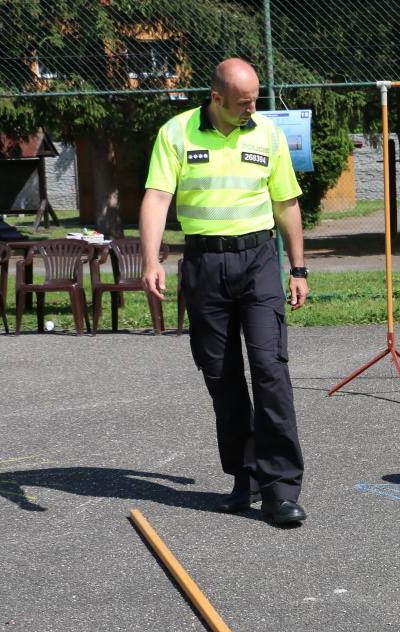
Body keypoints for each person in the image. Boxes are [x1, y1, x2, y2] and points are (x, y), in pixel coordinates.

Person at [140, 58, 310, 525]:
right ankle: (245, 476)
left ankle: (280, 489)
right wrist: (151, 259)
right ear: (216, 97)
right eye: (242, 102)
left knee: (270, 370)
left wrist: (298, 268)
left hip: (258, 261)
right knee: (221, 376)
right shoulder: (176, 133)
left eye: (255, 99)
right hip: (204, 265)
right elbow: (157, 197)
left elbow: (286, 202)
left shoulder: (268, 134)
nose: (252, 109)